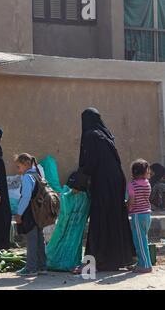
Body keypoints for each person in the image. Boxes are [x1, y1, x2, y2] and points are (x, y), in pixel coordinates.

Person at [77, 107, 135, 271]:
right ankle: (119, 259)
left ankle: (100, 260)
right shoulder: (106, 135)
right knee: (115, 216)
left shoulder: (90, 135)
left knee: (100, 217)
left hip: (103, 182)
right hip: (116, 181)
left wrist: (79, 179)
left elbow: (90, 162)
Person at [14, 153, 47, 277]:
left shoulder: (27, 177)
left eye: (18, 167)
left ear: (26, 164)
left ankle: (31, 268)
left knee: (32, 240)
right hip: (40, 212)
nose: (18, 170)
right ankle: (42, 266)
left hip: (30, 213)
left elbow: (26, 196)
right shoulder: (38, 174)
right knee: (40, 239)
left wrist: (19, 213)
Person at [127, 159, 153, 273]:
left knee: (139, 242)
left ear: (134, 172)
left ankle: (146, 265)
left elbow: (132, 200)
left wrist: (127, 206)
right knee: (143, 240)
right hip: (147, 215)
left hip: (137, 215)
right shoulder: (147, 184)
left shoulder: (132, 185)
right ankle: (142, 263)